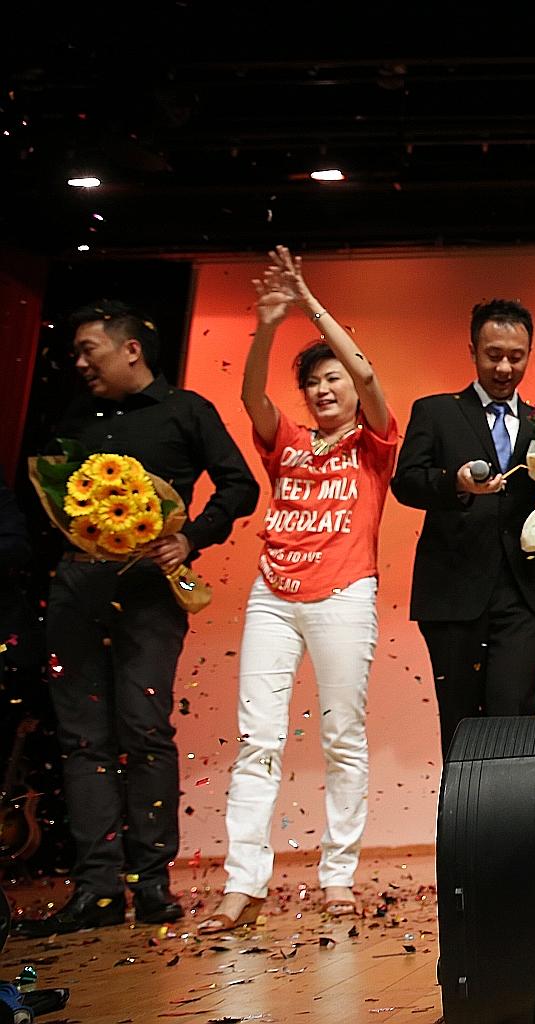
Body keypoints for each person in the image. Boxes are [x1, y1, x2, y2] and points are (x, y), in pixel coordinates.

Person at [18, 301, 258, 937]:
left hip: (149, 591)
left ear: (131, 350)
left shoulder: (186, 410)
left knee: (142, 729)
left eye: (89, 348)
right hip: (75, 587)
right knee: (81, 739)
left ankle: (150, 884)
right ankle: (97, 887)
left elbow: (240, 486)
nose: (79, 362)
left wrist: (191, 538)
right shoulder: (73, 417)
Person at [199, 247, 400, 934]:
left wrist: (310, 302)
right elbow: (252, 396)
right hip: (273, 594)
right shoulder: (286, 442)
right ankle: (243, 885)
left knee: (343, 736)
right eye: (313, 381)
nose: (323, 390)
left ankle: (337, 875)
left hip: (345, 594)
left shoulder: (374, 443)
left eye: (332, 378)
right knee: (257, 738)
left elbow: (369, 371)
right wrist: (266, 325)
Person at [391, 299, 535, 762]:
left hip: (523, 594)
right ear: (472, 350)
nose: (504, 367)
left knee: (514, 711)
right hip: (452, 593)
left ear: (529, 354)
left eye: (516, 356)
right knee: (461, 723)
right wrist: (453, 483)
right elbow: (406, 482)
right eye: (493, 354)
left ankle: (520, 828)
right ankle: (467, 827)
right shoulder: (436, 412)